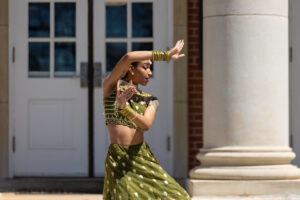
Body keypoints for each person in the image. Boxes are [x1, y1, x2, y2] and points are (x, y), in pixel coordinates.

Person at [102, 39, 191, 199]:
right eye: (145, 67)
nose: (150, 72)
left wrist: (125, 109)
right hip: (118, 159)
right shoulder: (110, 90)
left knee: (178, 195)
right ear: (131, 69)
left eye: (150, 68)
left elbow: (146, 124)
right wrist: (165, 55)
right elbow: (128, 56)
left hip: (141, 157)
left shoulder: (150, 99)